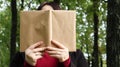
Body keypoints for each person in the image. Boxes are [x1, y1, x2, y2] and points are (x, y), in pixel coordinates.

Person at [10, 1, 88, 67]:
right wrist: (27, 64)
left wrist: (67, 62)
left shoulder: (76, 55)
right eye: (42, 16)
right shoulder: (21, 55)